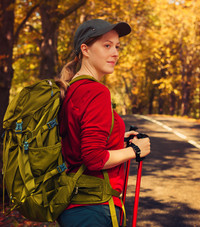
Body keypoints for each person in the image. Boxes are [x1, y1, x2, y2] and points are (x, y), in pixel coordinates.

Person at [57, 19, 151, 227]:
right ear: (85, 49)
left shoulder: (72, 88)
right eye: (107, 45)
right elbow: (93, 158)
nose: (115, 53)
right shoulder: (96, 92)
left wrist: (118, 139)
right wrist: (135, 150)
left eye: (117, 47)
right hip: (93, 209)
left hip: (75, 208)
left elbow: (76, 140)